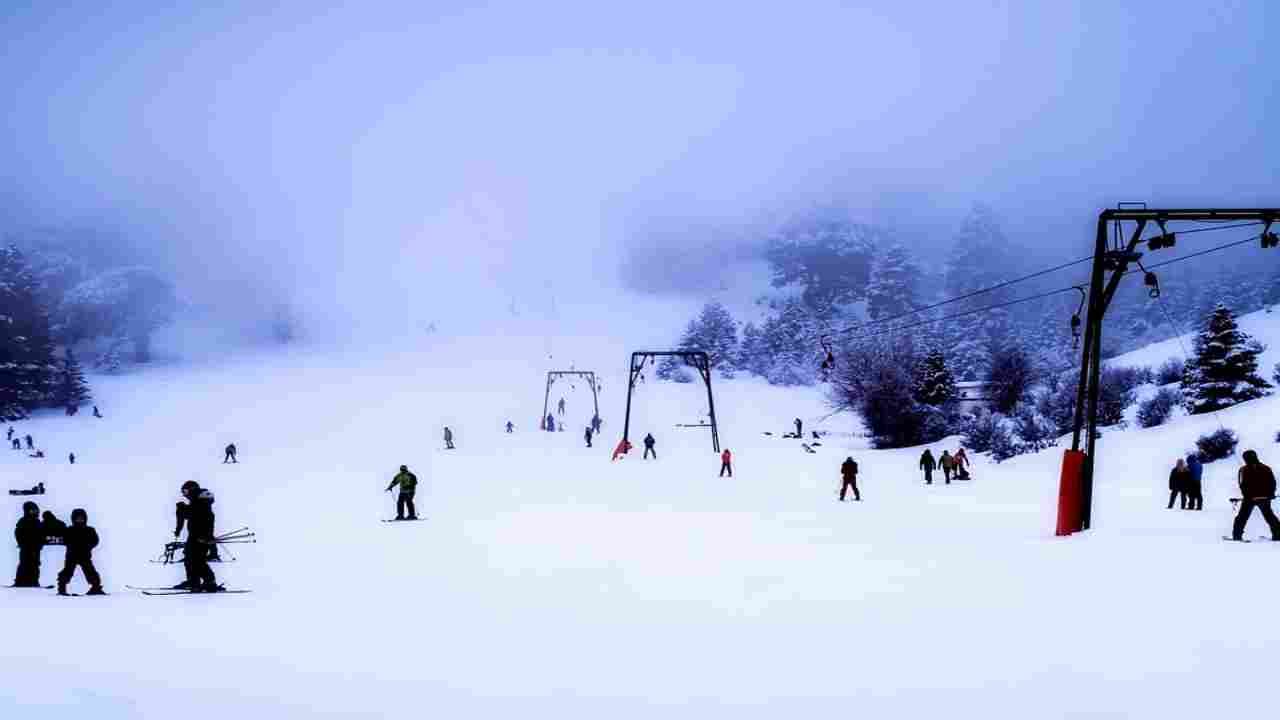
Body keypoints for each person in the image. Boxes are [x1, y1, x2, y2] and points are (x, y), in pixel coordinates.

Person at [175, 481, 220, 592]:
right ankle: (193, 581)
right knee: (190, 558)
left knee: (197, 560)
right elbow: (192, 515)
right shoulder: (199, 501)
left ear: (192, 490)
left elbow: (192, 515)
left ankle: (209, 582)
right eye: (183, 492)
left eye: (185, 491)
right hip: (196, 535)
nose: (184, 494)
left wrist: (182, 508)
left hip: (200, 536)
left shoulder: (201, 502)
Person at [1232, 450, 1280, 541]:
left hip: (1249, 498)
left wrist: (1246, 495)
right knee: (1269, 516)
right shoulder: (1266, 468)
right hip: (1264, 498)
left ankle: (1237, 536)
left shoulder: (1243, 469)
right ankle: (1278, 535)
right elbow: (1272, 483)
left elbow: (1242, 484)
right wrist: (1271, 494)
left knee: (1242, 517)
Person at [57, 509, 104, 596]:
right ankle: (61, 588)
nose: (79, 520)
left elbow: (95, 540)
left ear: (85, 519)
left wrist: (88, 546)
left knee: (90, 571)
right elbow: (64, 539)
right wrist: (71, 544)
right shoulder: (69, 530)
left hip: (85, 555)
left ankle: (96, 587)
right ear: (73, 519)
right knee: (67, 572)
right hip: (71, 556)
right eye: (77, 519)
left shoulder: (89, 530)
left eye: (81, 519)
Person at [13, 501, 45, 587]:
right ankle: (20, 581)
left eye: (35, 510)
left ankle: (34, 581)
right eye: (31, 510)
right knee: (24, 564)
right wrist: (21, 543)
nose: (34, 512)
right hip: (26, 547)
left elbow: (42, 534)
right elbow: (18, 533)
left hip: (36, 548)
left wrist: (41, 543)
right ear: (27, 511)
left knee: (35, 564)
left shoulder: (38, 522)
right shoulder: (23, 521)